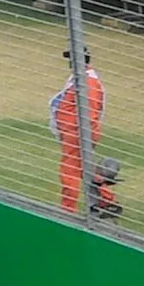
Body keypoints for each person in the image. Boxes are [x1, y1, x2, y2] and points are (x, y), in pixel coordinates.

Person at [50, 50, 113, 218]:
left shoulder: (88, 82)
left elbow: (90, 112)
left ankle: (68, 210)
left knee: (69, 171)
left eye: (71, 59)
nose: (69, 63)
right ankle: (107, 201)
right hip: (76, 133)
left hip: (78, 133)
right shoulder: (81, 79)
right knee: (85, 168)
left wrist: (83, 135)